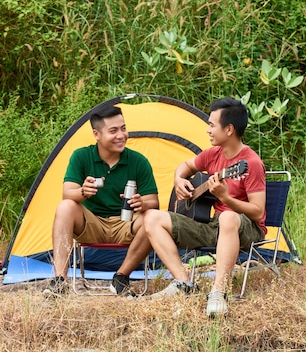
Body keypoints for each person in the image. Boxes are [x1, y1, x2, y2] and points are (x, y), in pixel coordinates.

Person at [114, 97, 266, 317]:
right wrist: (179, 180)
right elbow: (185, 166)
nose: (208, 130)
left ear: (229, 129)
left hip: (246, 228)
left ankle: (218, 291)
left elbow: (258, 212)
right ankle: (184, 283)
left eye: (212, 125)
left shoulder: (251, 163)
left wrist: (226, 198)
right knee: (152, 218)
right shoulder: (213, 154)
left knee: (229, 217)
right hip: (216, 227)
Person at [43, 104, 160, 296]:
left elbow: (153, 201)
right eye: (113, 131)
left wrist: (142, 203)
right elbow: (67, 193)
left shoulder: (138, 161)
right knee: (65, 207)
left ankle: (121, 277)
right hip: (92, 224)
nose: (121, 135)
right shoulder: (81, 156)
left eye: (123, 128)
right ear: (97, 134)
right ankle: (59, 281)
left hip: (126, 223)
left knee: (154, 217)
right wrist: (83, 191)